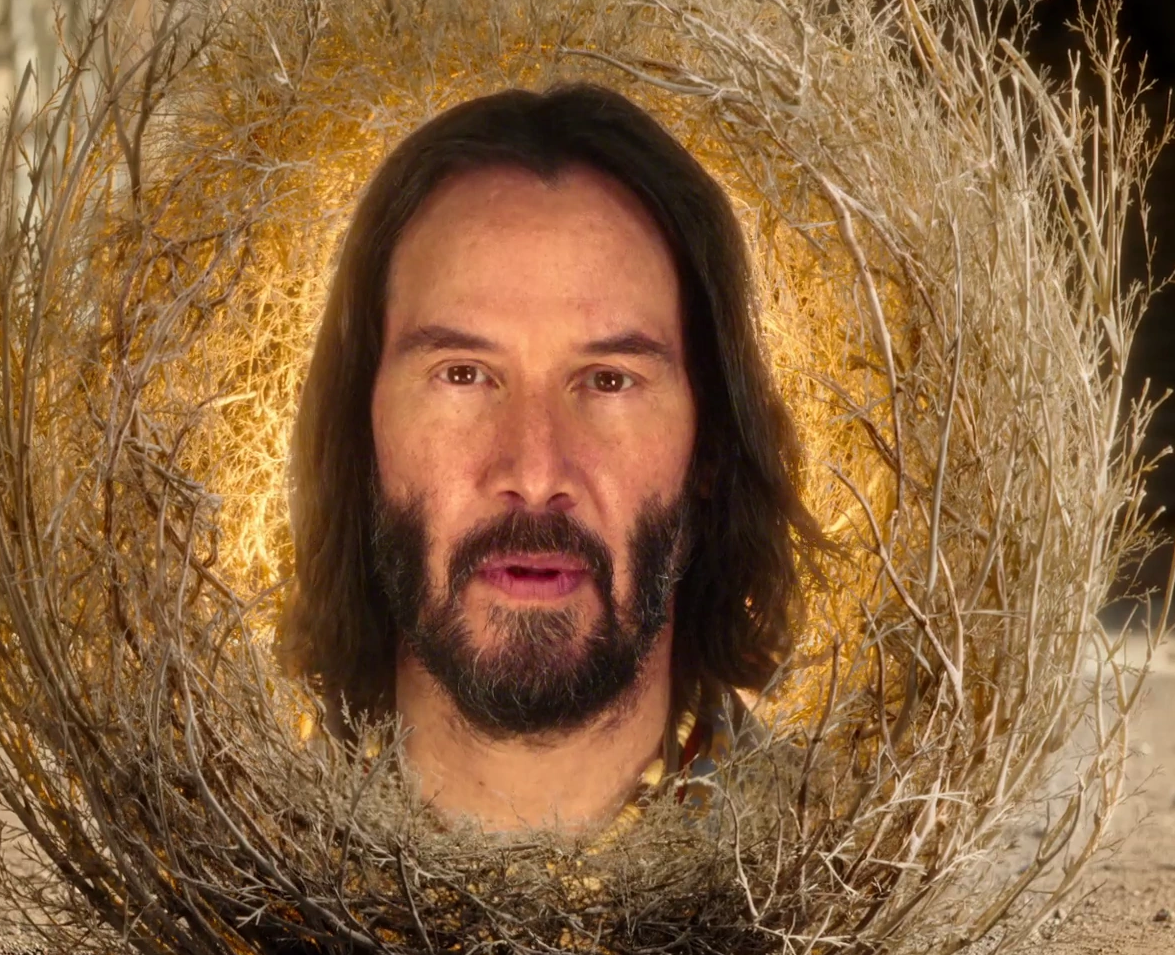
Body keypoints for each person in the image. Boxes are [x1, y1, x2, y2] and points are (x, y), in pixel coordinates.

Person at [283, 82, 823, 832]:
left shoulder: (869, 879)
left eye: (609, 381)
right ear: (359, 431)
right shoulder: (193, 884)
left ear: (710, 444)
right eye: (463, 374)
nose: (536, 475)